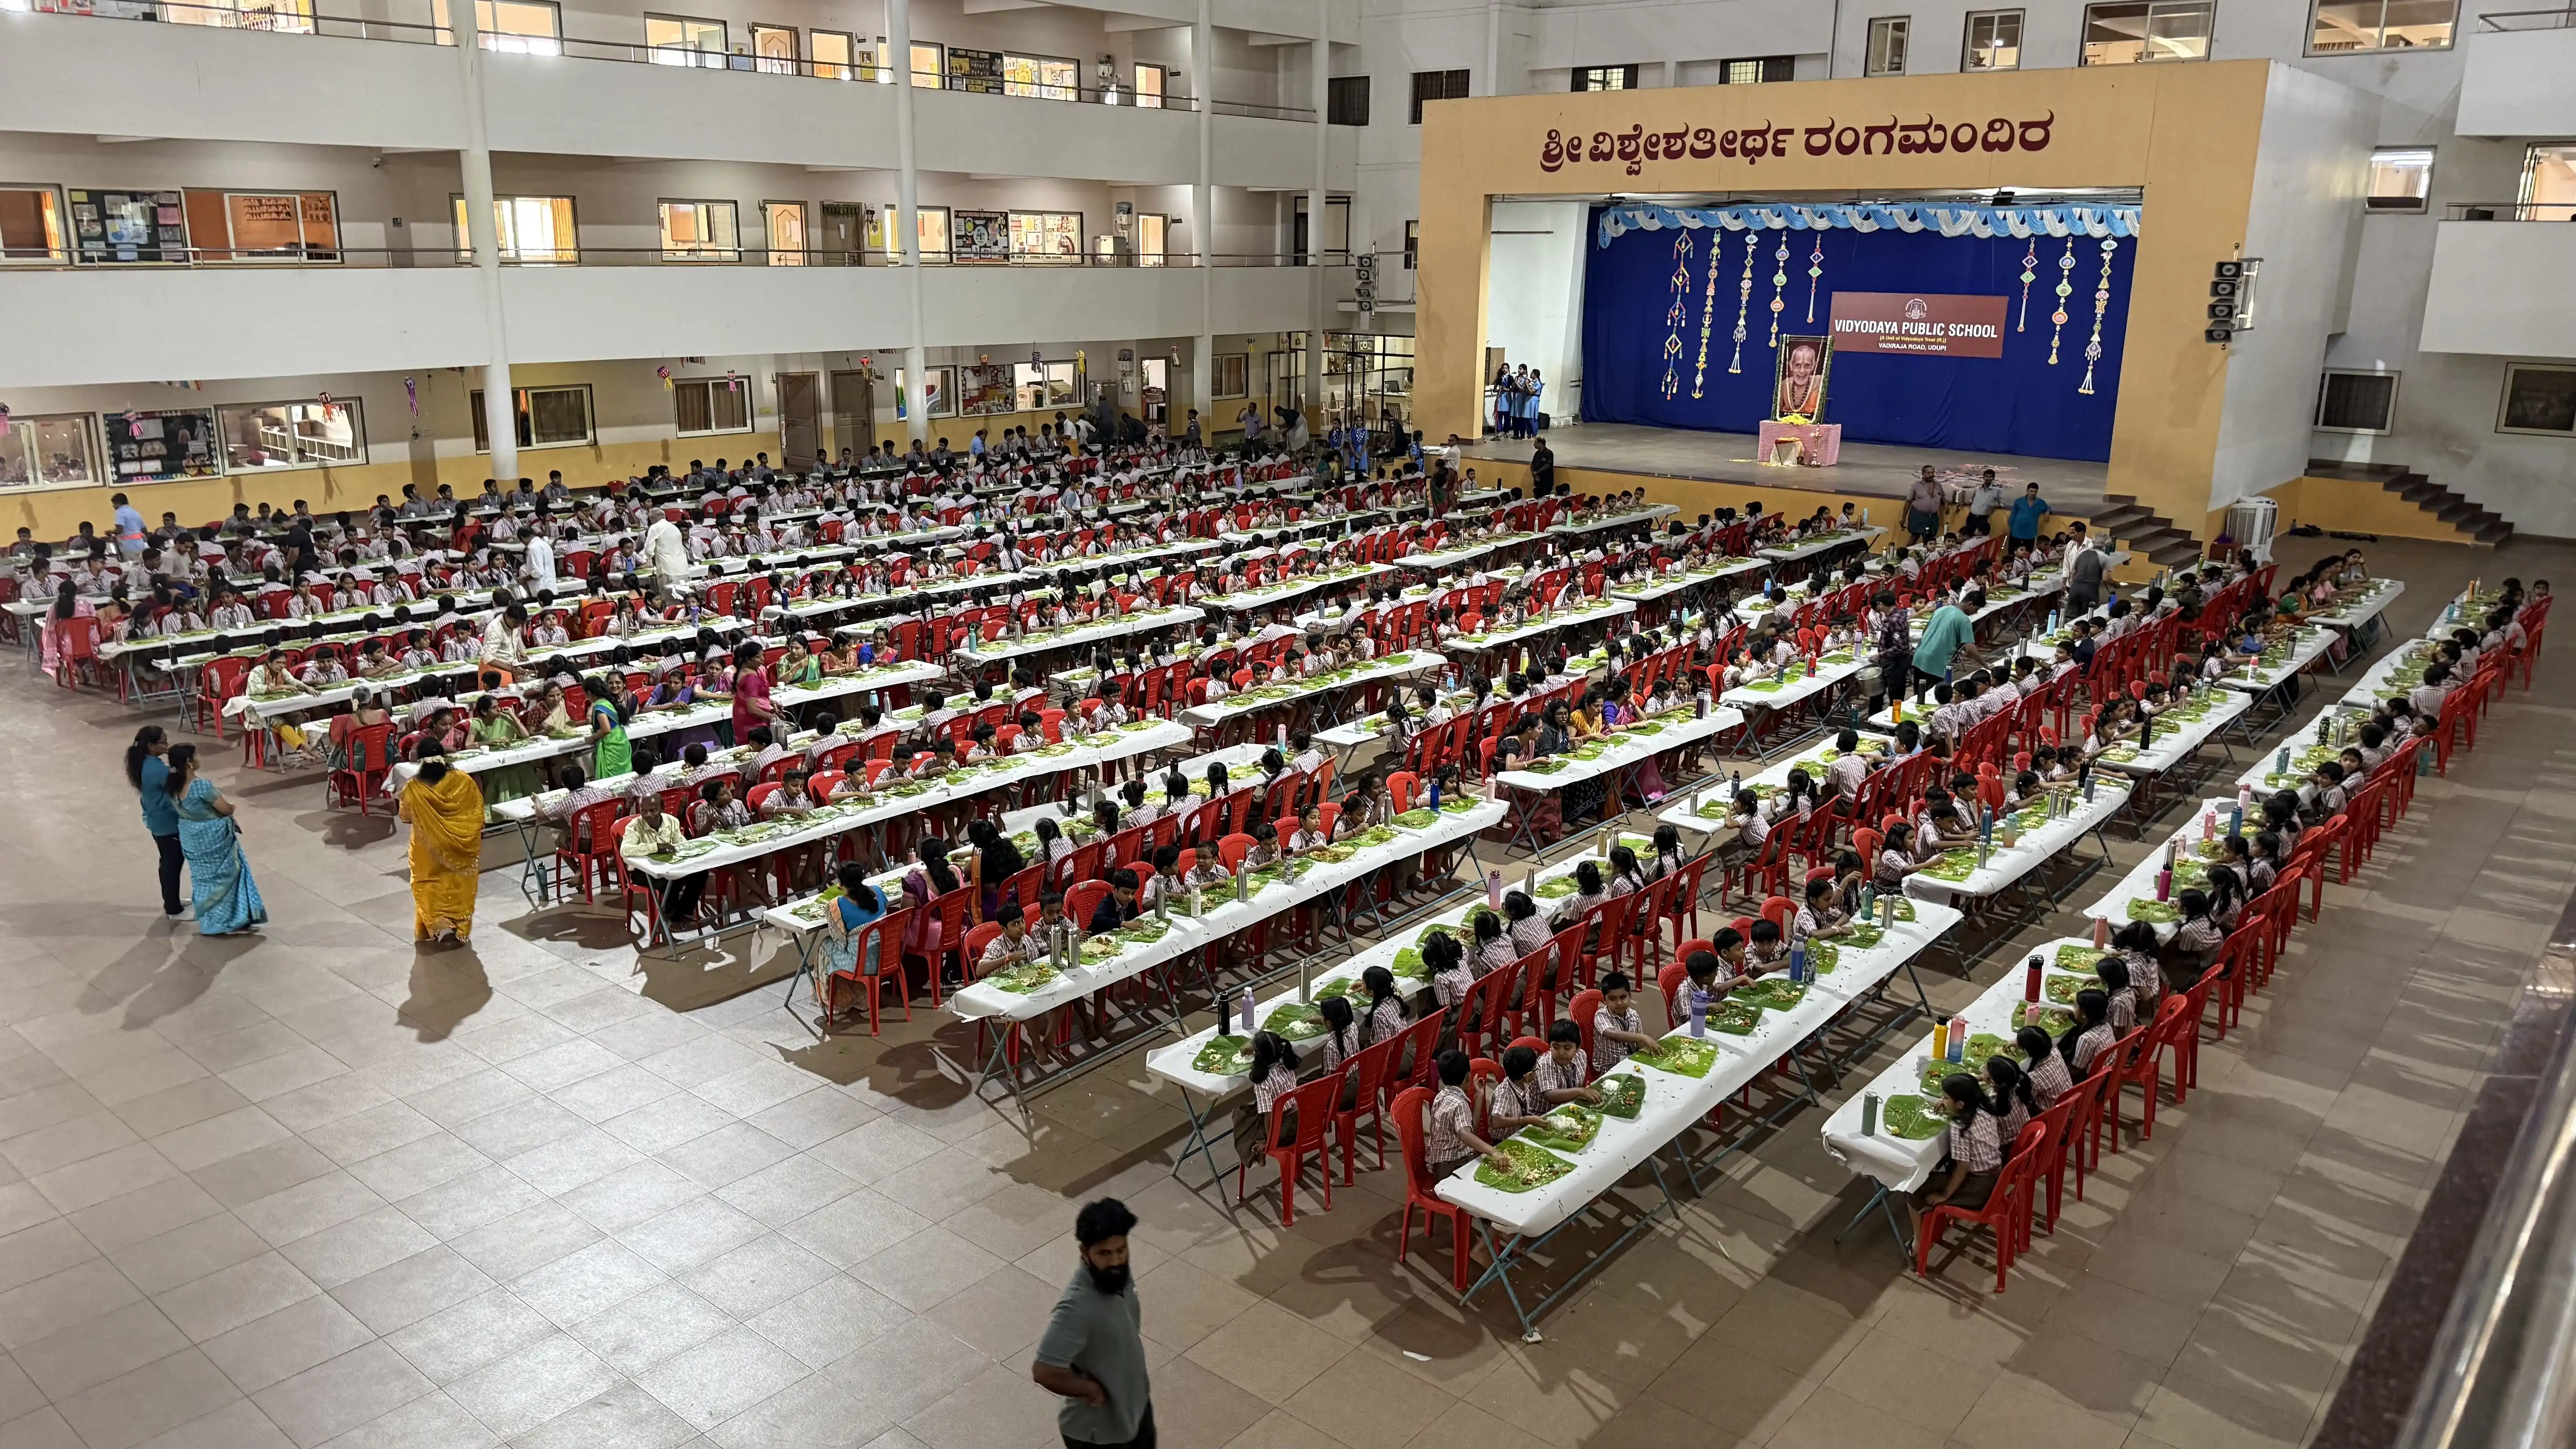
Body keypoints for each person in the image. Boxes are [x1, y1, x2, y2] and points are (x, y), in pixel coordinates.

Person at [1034, 1197, 1154, 1449]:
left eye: (1122, 1250)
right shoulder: (1077, 1307)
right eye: (1105, 1254)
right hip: (1099, 1434)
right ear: (1084, 1253)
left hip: (1134, 1410)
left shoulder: (1117, 1275)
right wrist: (1089, 1389)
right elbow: (1044, 1371)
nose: (1116, 1261)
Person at [165, 745, 266, 936]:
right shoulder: (201, 786)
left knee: (203, 880)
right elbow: (225, 808)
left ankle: (210, 921)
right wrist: (232, 807)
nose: (198, 758)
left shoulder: (171, 785)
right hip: (213, 839)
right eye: (196, 755)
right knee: (225, 878)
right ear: (189, 762)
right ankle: (230, 922)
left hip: (191, 837)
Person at [397, 753, 485, 943]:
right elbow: (476, 810)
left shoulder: (414, 788)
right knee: (459, 884)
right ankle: (459, 926)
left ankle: (439, 924)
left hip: (427, 849)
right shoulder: (463, 780)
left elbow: (405, 816)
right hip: (460, 847)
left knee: (428, 885)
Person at [128, 726, 186, 919]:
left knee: (170, 862)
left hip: (157, 820)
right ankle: (173, 908)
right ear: (152, 746)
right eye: (164, 742)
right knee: (172, 863)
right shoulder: (155, 769)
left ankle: (172, 900)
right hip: (166, 823)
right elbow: (178, 785)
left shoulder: (146, 763)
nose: (167, 745)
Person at [1910, 590, 1977, 702]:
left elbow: (1925, 631)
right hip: (1936, 662)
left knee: (1919, 696)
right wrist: (1985, 664)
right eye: (1976, 609)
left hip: (1919, 656)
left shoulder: (1940, 610)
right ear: (1971, 604)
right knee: (1934, 697)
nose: (1975, 613)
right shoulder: (1964, 620)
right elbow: (1970, 649)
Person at [1905, 466, 1943, 543]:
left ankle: (1928, 554)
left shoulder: (1938, 485)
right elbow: (1908, 502)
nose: (1931, 475)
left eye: (1933, 473)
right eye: (1928, 473)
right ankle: (1905, 553)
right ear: (1923, 474)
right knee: (1914, 537)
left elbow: (1942, 496)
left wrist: (1946, 504)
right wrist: (1903, 519)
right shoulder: (1916, 486)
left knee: (1929, 539)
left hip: (1932, 517)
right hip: (1918, 516)